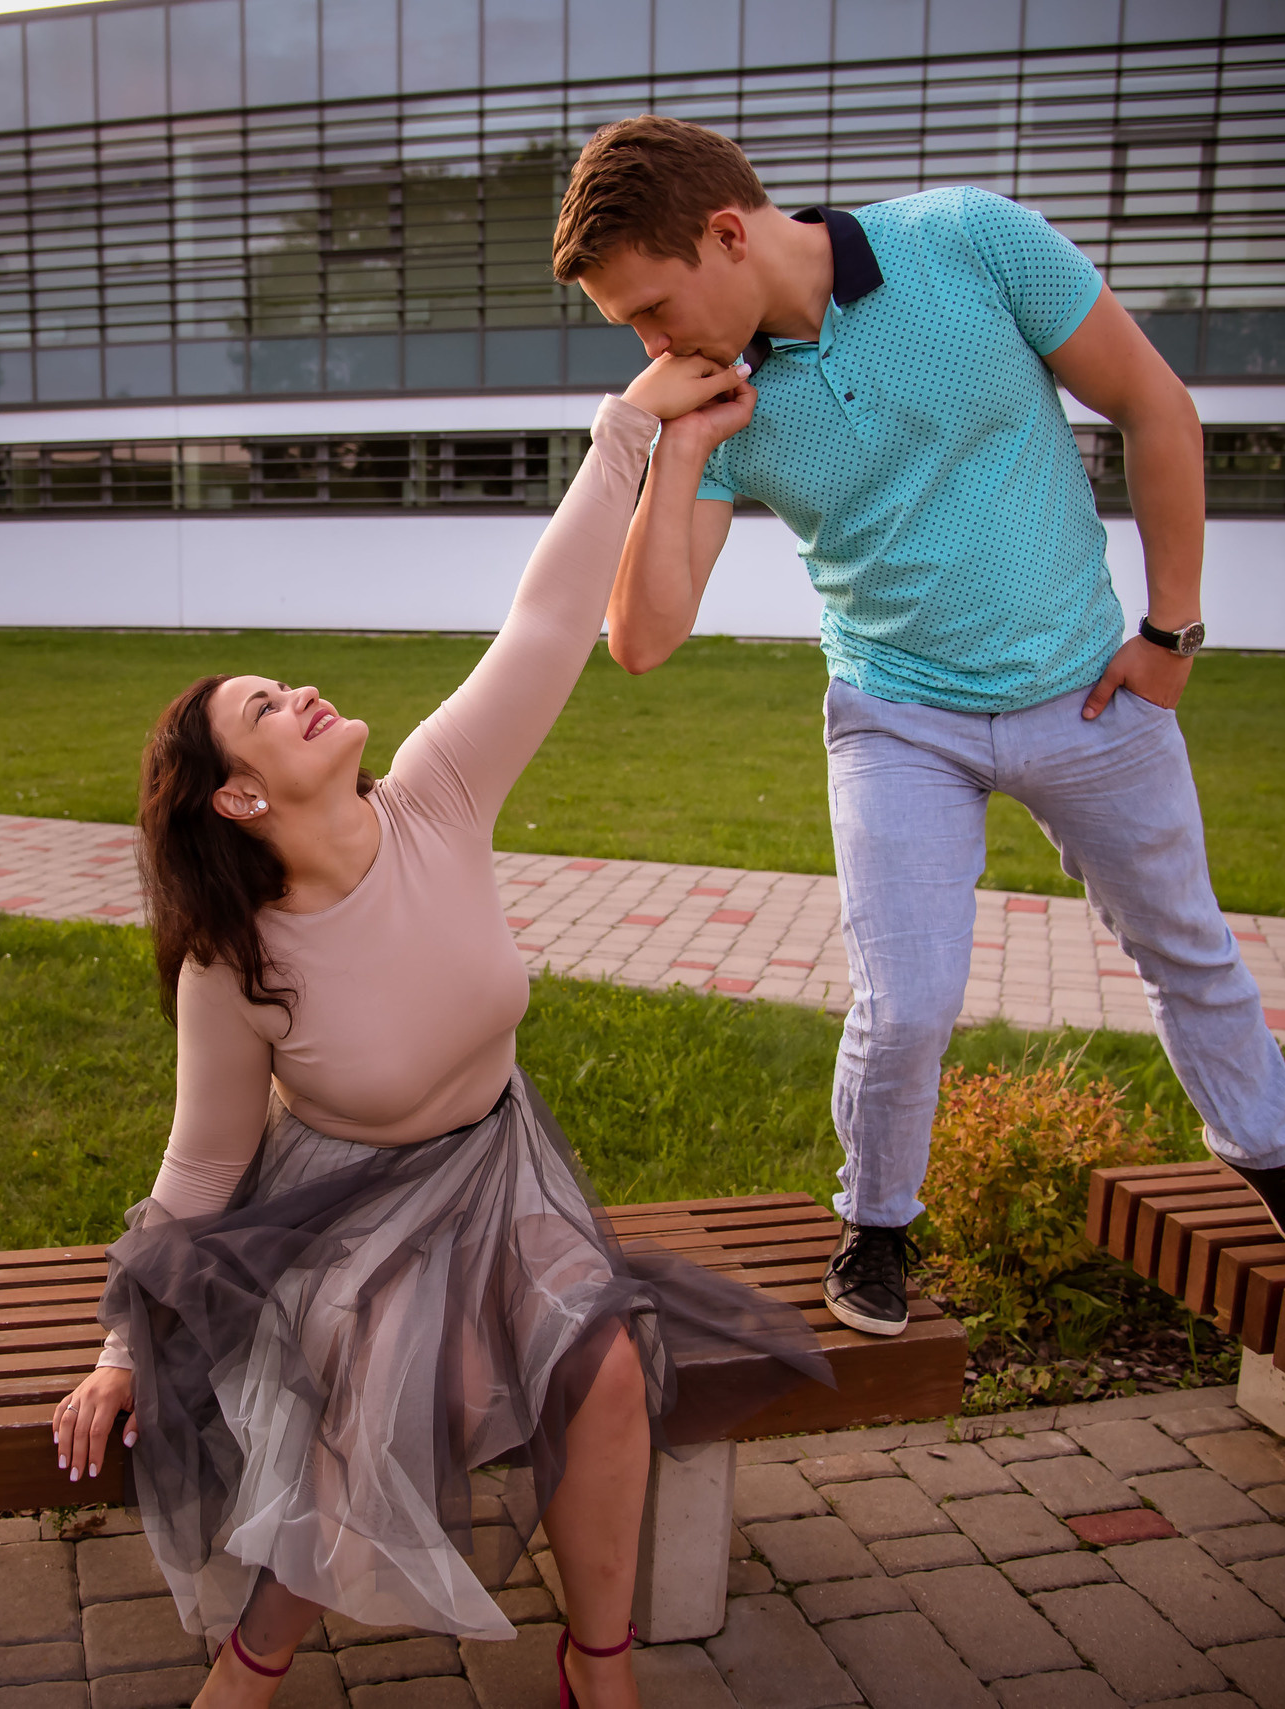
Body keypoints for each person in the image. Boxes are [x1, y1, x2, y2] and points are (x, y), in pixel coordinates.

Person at [50, 354, 828, 1709]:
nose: (296, 694)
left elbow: (545, 618)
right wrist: (122, 1345)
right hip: (345, 1216)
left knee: (596, 1363)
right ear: (236, 800)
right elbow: (198, 1167)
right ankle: (255, 1666)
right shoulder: (236, 966)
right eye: (260, 709)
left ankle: (602, 1669)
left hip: (504, 1166)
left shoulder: (439, 795)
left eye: (281, 681)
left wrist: (628, 431)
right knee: (401, 1372)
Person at [546, 115, 1285, 1342]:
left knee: (1186, 944)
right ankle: (875, 1223)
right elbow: (642, 638)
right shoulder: (718, 393)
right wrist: (672, 444)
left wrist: (1172, 632)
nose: (654, 346)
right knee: (908, 997)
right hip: (896, 719)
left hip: (1089, 691)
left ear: (726, 232)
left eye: (652, 312)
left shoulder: (972, 243)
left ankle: (1275, 1156)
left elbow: (1155, 405)